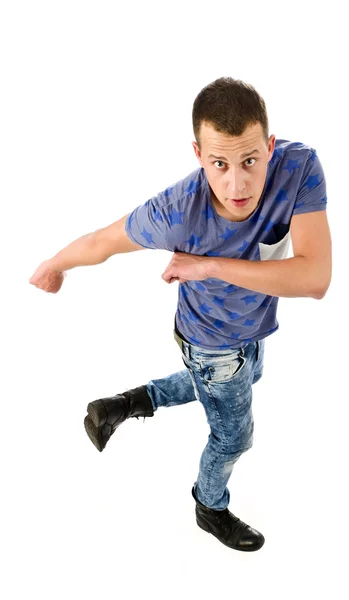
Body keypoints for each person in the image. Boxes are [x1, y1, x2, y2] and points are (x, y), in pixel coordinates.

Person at [29, 76, 332, 552]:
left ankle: (125, 403)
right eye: (219, 164)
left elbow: (315, 278)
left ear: (270, 146)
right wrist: (53, 266)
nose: (238, 183)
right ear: (198, 155)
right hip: (210, 341)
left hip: (250, 328)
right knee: (234, 437)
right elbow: (102, 242)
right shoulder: (175, 212)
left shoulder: (299, 168)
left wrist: (210, 265)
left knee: (245, 375)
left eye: (251, 160)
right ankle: (209, 507)